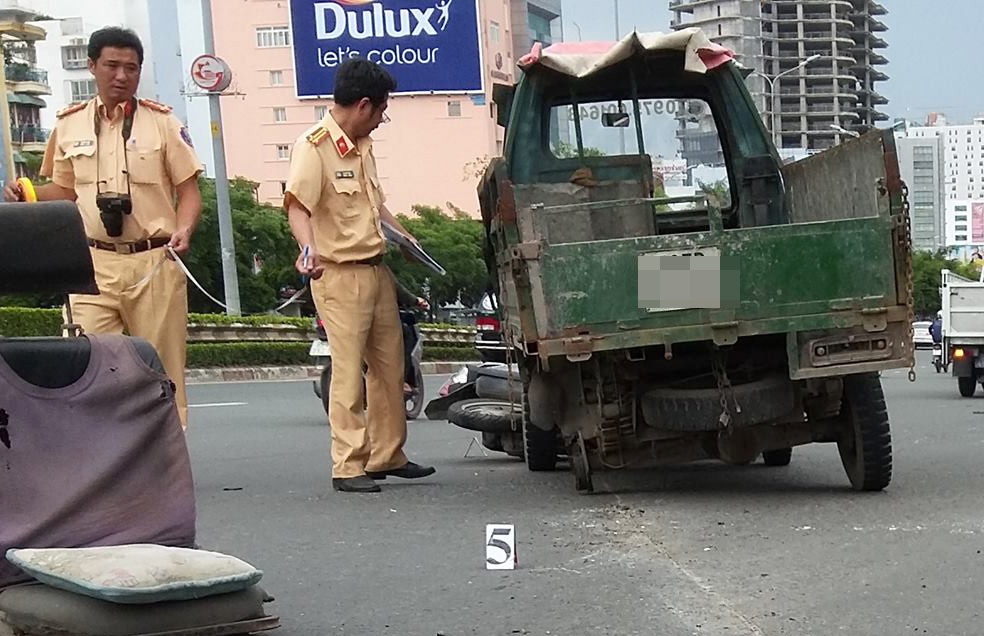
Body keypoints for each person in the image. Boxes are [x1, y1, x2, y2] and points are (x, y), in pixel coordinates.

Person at [2, 27, 202, 430]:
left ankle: (166, 455)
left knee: (161, 372)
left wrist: (184, 229)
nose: (122, 76)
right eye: (112, 65)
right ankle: (97, 453)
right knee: (86, 365)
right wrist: (27, 194)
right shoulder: (68, 124)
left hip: (154, 262)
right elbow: (64, 191)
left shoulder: (163, 123)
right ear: (92, 66)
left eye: (132, 68)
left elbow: (189, 191)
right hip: (92, 263)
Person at [284, 58, 435, 493]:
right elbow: (297, 207)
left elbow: (374, 204)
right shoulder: (314, 147)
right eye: (382, 110)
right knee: (348, 373)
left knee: (390, 367)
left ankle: (387, 453)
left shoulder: (362, 145)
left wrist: (406, 239)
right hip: (338, 275)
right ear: (364, 105)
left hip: (376, 269)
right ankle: (348, 465)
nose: (382, 119)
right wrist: (308, 250)